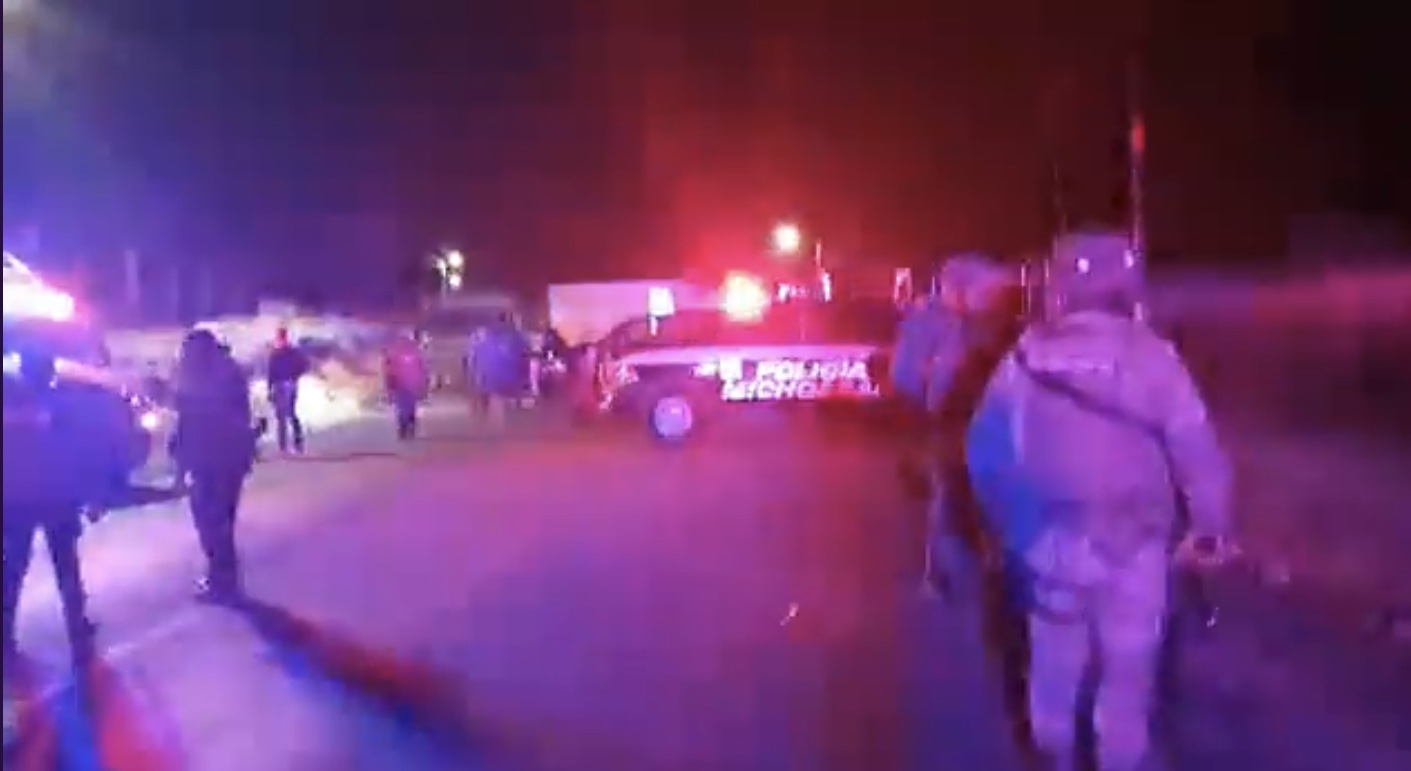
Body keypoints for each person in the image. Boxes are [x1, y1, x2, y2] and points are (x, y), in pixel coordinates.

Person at [966, 231, 1235, 771]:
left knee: (1054, 669)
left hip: (1050, 547)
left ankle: (1054, 754)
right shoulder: (1153, 358)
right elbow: (1196, 448)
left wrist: (1014, 530)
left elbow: (987, 453)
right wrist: (1210, 526)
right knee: (1127, 678)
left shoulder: (1024, 359)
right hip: (1137, 545)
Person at [3, 349, 103, 662]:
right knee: (66, 566)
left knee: (13, 569)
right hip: (57, 497)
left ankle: (5, 635)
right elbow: (78, 453)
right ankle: (77, 627)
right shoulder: (62, 405)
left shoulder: (9, 400)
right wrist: (91, 494)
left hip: (16, 500)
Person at [171, 328, 258, 601]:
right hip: (230, 459)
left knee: (209, 522)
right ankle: (224, 578)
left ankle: (222, 580)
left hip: (208, 460)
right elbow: (241, 417)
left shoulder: (195, 379)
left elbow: (186, 426)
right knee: (222, 522)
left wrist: (180, 468)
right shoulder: (229, 372)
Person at [470, 312, 530, 429]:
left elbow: (477, 358)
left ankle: (496, 428)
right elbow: (525, 353)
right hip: (510, 379)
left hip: (492, 380)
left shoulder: (487, 337)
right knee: (508, 401)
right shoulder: (516, 336)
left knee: (497, 402)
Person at [265, 327, 310, 453]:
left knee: (285, 415)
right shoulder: (281, 353)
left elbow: (271, 372)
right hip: (284, 384)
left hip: (285, 384)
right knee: (286, 415)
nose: (279, 339)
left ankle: (287, 445)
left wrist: (294, 377)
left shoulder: (285, 352)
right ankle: (290, 445)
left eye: (280, 337)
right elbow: (271, 372)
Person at [383, 332, 429, 440]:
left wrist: (389, 385)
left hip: (401, 384)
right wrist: (423, 384)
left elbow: (388, 370)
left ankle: (404, 427)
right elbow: (423, 370)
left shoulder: (394, 354)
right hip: (410, 385)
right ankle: (409, 426)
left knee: (402, 406)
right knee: (409, 406)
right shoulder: (416, 353)